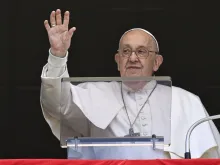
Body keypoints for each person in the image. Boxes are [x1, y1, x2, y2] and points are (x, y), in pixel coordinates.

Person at [40, 9, 220, 159]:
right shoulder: (94, 93)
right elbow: (57, 105)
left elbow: (209, 157)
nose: (133, 58)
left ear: (157, 62)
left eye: (141, 51)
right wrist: (57, 55)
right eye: (126, 51)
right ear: (118, 60)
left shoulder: (186, 101)